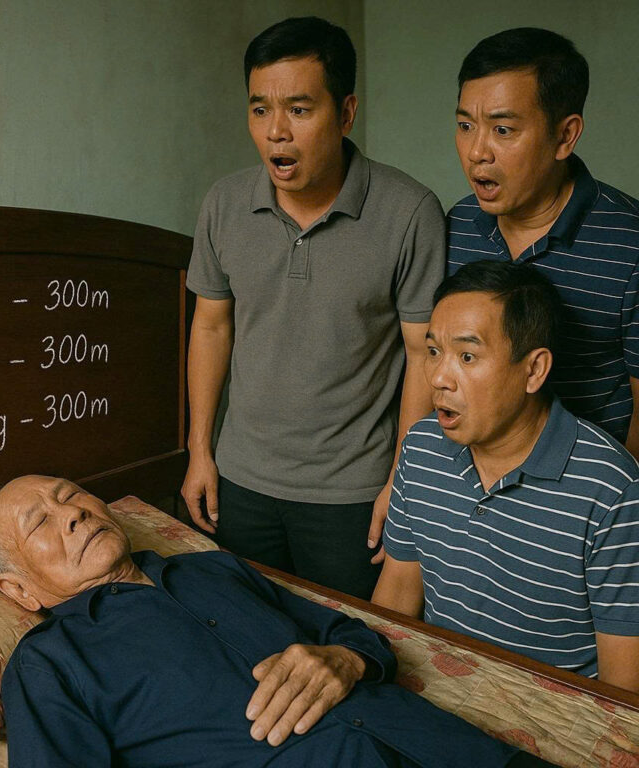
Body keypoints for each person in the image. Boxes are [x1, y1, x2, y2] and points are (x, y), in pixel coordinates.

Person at [0, 474, 552, 768]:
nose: (71, 513)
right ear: (18, 590)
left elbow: (353, 634)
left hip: (451, 750)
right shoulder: (47, 663)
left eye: (71, 495)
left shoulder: (211, 568)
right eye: (39, 523)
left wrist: (346, 660)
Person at [182, 16, 445, 598]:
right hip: (240, 481)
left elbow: (422, 353)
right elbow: (211, 326)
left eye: (299, 110)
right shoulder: (224, 204)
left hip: (353, 494)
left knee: (353, 643)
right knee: (247, 636)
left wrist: (401, 481)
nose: (276, 132)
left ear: (346, 113)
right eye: (260, 110)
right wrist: (200, 450)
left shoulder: (409, 212)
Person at [372, 261, 639, 692]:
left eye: (467, 356)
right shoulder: (420, 446)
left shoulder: (613, 490)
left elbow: (624, 688)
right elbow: (398, 595)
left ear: (533, 370)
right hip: (433, 697)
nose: (438, 378)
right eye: (434, 352)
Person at [447, 27, 639, 459]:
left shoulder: (630, 244)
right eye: (465, 125)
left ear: (565, 136)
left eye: (502, 129)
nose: (477, 151)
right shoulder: (454, 227)